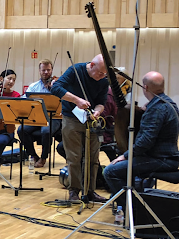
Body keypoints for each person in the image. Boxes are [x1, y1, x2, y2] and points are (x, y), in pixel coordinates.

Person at [104, 72, 179, 207]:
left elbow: (145, 142)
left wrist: (125, 156)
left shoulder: (156, 109)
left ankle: (132, 210)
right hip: (168, 157)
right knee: (126, 169)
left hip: (161, 159)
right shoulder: (169, 103)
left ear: (145, 87)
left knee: (110, 171)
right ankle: (135, 204)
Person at [50, 54, 109, 202]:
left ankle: (90, 191)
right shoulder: (75, 70)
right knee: (74, 157)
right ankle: (74, 191)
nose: (102, 76)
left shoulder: (104, 80)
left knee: (93, 158)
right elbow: (55, 88)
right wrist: (76, 100)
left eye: (105, 74)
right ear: (92, 65)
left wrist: (98, 110)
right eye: (100, 72)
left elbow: (101, 102)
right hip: (72, 118)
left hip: (91, 121)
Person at [18, 59, 61, 168]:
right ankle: (33, 155)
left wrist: (55, 89)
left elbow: (64, 100)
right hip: (37, 116)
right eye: (44, 70)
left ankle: (43, 158)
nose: (46, 72)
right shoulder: (34, 86)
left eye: (48, 70)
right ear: (39, 71)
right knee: (21, 129)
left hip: (54, 117)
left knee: (46, 131)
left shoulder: (58, 85)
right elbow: (25, 99)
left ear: (52, 70)